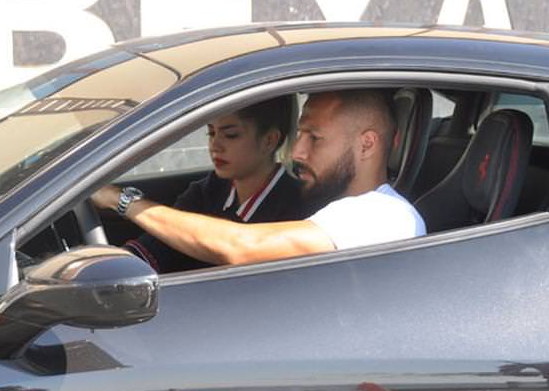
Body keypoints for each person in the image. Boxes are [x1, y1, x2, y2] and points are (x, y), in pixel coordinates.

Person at [92, 89, 426, 267]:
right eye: (299, 135)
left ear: (366, 144)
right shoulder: (332, 209)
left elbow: (240, 247)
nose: (297, 152)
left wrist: (122, 201)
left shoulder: (384, 216)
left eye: (315, 138)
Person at [124, 95, 310, 272]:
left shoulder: (299, 206)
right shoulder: (208, 190)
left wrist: (121, 200)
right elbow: (154, 247)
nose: (215, 145)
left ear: (269, 140)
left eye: (230, 135)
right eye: (211, 133)